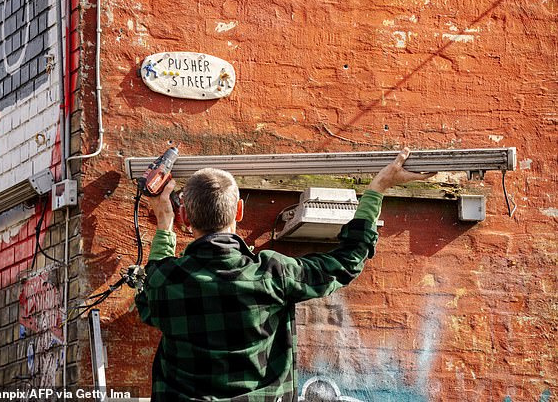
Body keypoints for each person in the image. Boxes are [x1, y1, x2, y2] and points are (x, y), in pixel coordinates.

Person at [136, 148, 434, 401]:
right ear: (239, 211)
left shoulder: (165, 281)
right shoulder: (273, 274)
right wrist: (377, 188)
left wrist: (165, 222)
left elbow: (153, 284)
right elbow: (348, 260)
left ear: (186, 217)